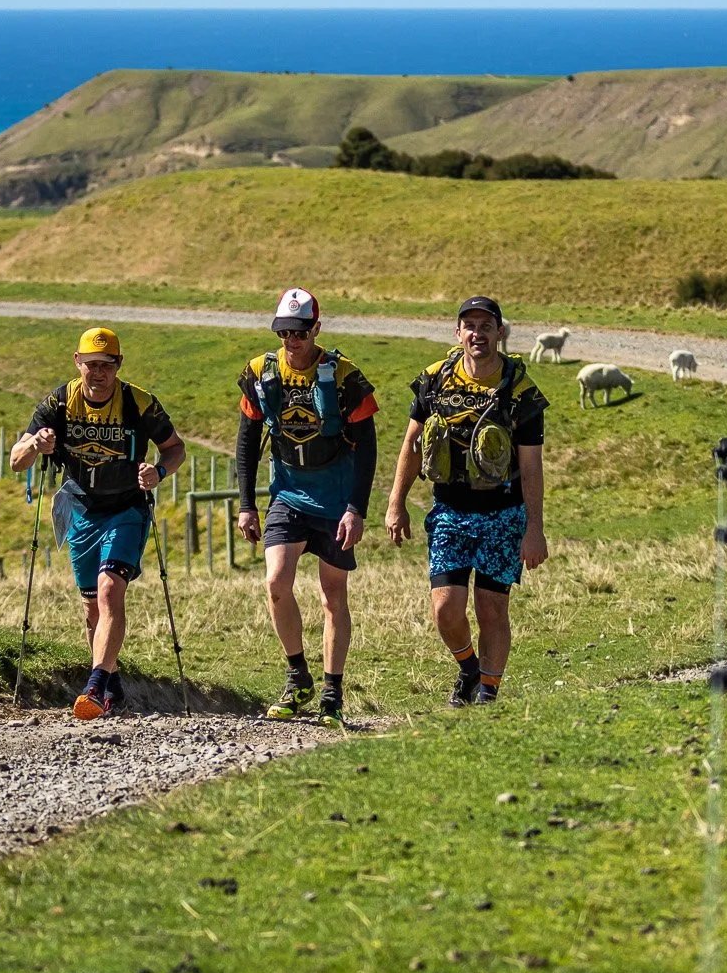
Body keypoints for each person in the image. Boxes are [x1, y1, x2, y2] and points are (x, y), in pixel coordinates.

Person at [11, 327, 186, 720]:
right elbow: (15, 460)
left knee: (110, 591)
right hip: (81, 510)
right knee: (91, 606)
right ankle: (113, 683)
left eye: (106, 365)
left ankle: (94, 686)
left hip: (127, 509)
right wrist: (35, 445)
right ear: (78, 362)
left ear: (118, 365)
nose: (98, 373)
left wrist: (158, 472)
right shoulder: (59, 402)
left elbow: (176, 448)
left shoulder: (138, 402)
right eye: (91, 365)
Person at [385, 296, 549, 706]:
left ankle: (488, 694)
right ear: (457, 333)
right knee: (446, 610)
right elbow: (411, 442)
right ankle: (469, 667)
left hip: (503, 513)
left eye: (486, 326)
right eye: (469, 326)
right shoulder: (434, 379)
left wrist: (535, 529)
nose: (478, 334)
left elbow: (531, 467)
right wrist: (396, 502)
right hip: (449, 512)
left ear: (500, 333)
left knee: (492, 609)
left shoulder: (521, 392)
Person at [235, 288, 379, 728]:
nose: (291, 341)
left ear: (316, 328)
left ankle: (332, 692)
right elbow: (247, 440)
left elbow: (369, 447)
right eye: (283, 332)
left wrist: (356, 508)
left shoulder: (346, 378)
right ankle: (298, 677)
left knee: (332, 595)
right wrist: (247, 505)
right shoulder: (261, 373)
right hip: (288, 494)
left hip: (336, 500)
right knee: (276, 582)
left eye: (299, 332)